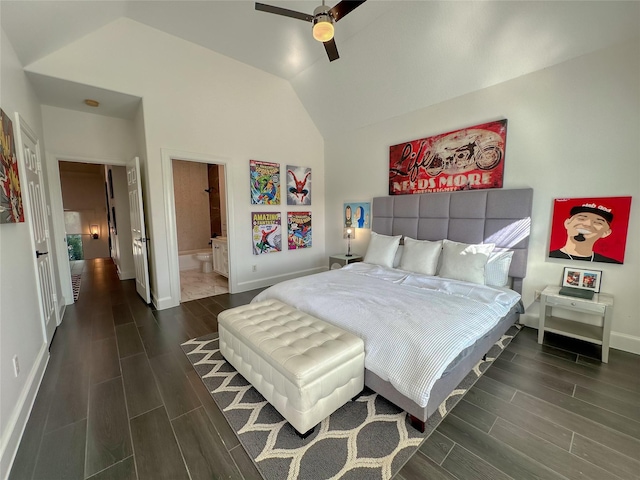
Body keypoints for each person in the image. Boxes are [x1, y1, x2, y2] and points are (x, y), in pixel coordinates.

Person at [549, 203, 621, 263]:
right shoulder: (549, 256)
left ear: (606, 233)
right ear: (567, 223)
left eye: (598, 222)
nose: (587, 224)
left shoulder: (610, 263)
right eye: (581, 218)